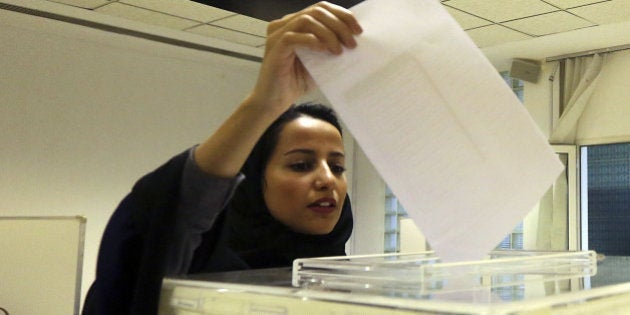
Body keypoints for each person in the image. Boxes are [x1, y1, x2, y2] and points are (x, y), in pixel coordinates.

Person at [82, 2, 363, 314]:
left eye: (337, 166)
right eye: (301, 164)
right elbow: (156, 225)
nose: (327, 179)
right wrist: (263, 104)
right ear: (254, 181)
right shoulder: (196, 277)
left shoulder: (355, 285)